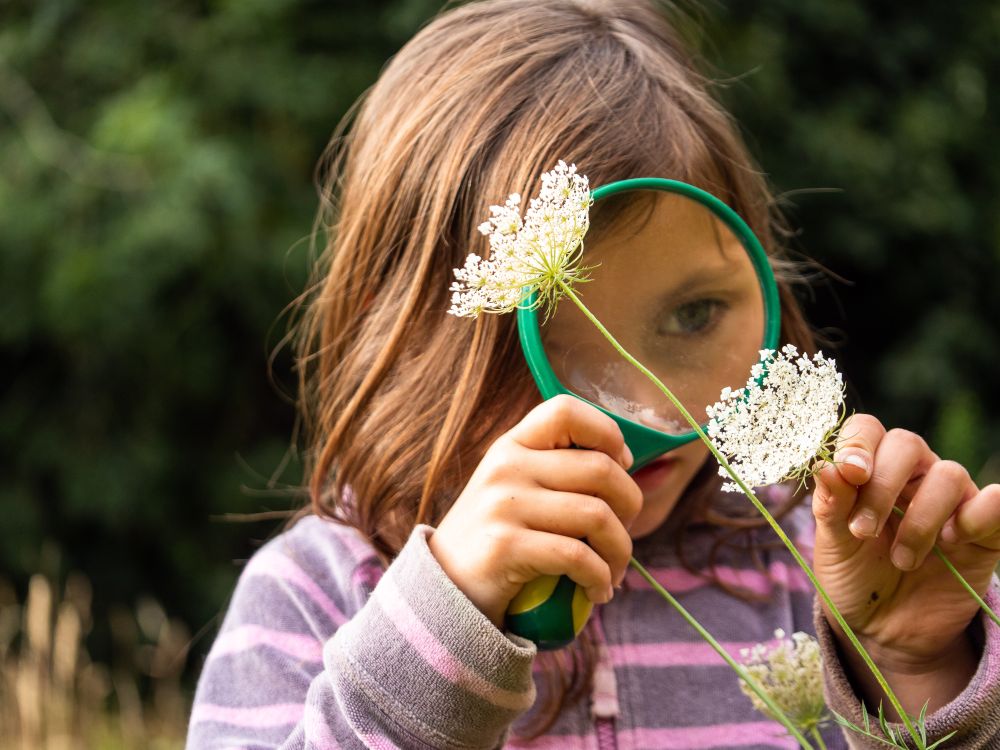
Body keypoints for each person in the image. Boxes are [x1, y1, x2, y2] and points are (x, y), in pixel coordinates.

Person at [185, 1, 1000, 747]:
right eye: (556, 340)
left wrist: (917, 671)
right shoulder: (316, 594)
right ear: (409, 341)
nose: (649, 401)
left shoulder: (812, 572)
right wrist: (440, 634)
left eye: (693, 316)